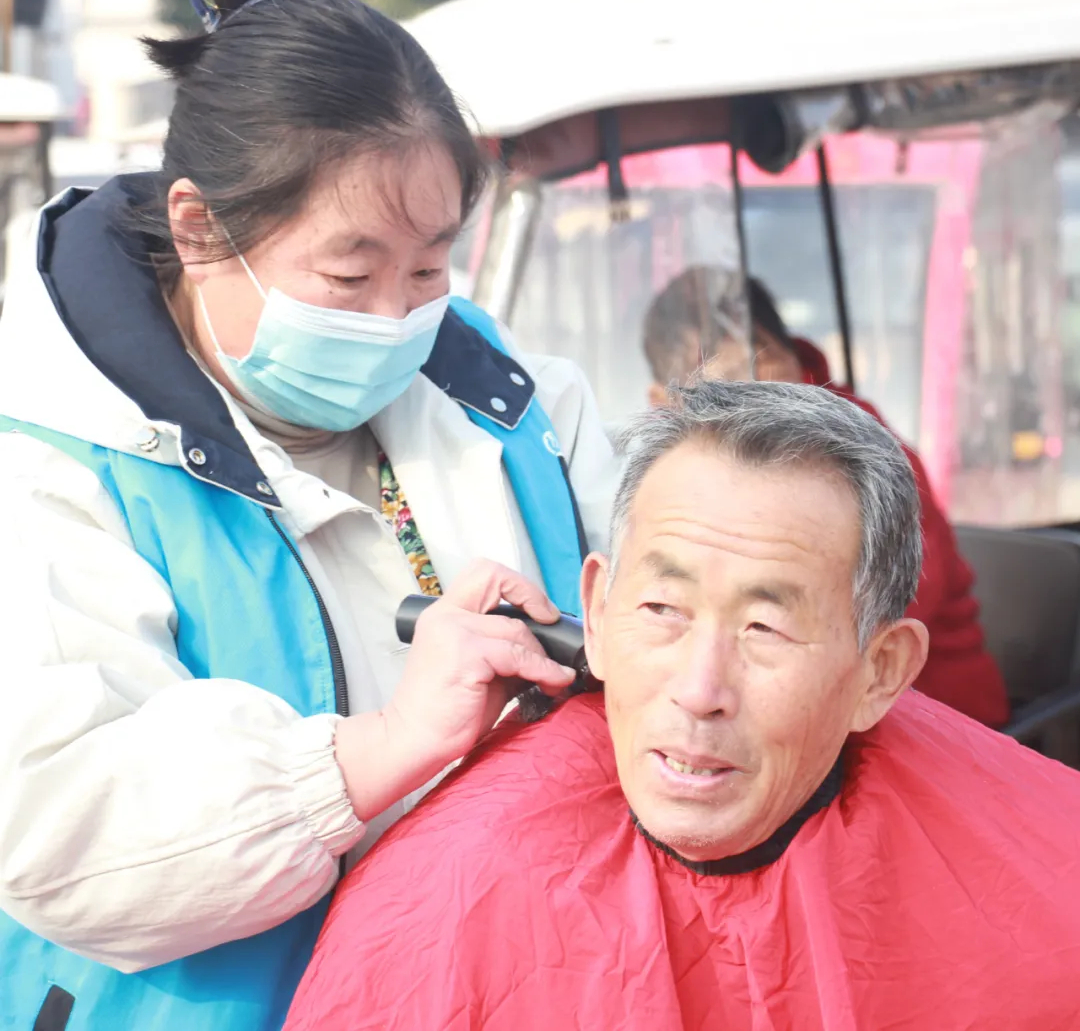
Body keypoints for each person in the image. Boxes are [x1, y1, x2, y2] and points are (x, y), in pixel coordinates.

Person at [0, 0, 617, 1028]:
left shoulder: (522, 408)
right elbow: (56, 827)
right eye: (348, 276)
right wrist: (382, 748)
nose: (393, 319)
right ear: (200, 229)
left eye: (428, 270)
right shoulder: (52, 461)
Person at [285, 381, 1080, 1031]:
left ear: (881, 672)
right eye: (663, 610)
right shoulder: (455, 891)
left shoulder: (1044, 889)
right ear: (598, 614)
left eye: (765, 628)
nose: (700, 691)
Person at [642, 266, 1009, 728]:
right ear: (664, 403)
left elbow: (883, 613)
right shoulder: (679, 473)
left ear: (792, 358)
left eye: (757, 369)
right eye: (719, 391)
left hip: (932, 719)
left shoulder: (864, 452)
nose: (748, 406)